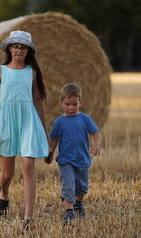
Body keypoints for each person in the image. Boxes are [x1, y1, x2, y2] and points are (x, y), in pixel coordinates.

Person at [0, 30, 48, 230]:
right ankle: (4, 192)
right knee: (7, 173)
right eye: (16, 46)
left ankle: (28, 216)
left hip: (28, 121)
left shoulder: (32, 72)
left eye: (23, 47)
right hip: (7, 122)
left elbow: (38, 102)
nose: (19, 50)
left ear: (28, 51)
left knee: (27, 165)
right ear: (9, 48)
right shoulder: (0, 71)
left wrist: (43, 132)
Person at [45, 83, 101, 226]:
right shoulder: (59, 121)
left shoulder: (85, 119)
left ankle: (78, 203)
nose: (71, 107)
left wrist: (96, 144)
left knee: (82, 188)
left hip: (82, 160)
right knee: (68, 184)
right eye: (67, 104)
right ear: (61, 103)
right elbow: (54, 138)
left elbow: (96, 133)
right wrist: (50, 152)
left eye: (74, 104)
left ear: (80, 103)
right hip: (65, 160)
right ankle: (69, 212)